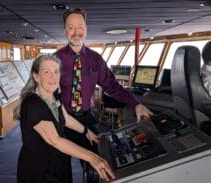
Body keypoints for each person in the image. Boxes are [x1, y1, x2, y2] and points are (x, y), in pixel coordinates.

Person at [55, 8, 152, 153]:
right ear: (65, 31)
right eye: (71, 28)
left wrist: (136, 104)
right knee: (60, 170)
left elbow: (112, 86)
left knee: (99, 160)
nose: (76, 32)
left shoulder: (95, 59)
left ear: (86, 29)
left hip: (87, 118)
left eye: (80, 27)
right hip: (61, 120)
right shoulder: (54, 59)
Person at [14, 54, 115, 183]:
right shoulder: (34, 104)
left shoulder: (54, 95)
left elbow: (65, 118)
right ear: (36, 76)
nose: (53, 77)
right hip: (40, 168)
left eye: (56, 71)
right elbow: (55, 140)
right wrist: (93, 158)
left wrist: (87, 132)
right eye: (47, 72)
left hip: (58, 161)